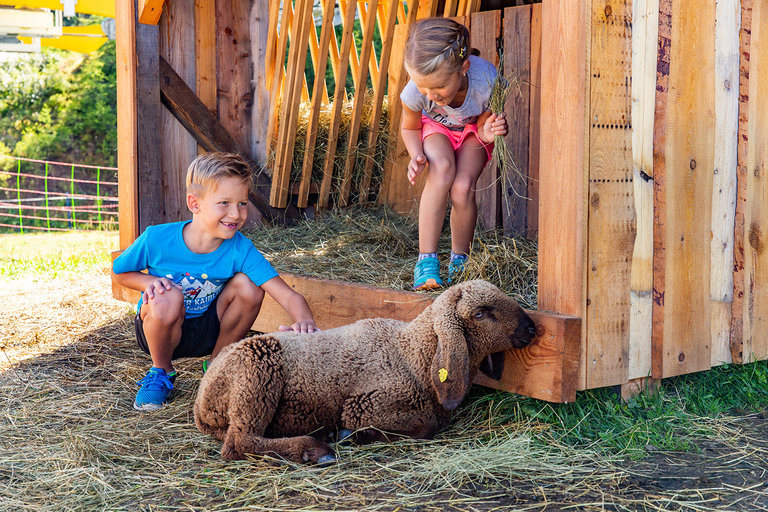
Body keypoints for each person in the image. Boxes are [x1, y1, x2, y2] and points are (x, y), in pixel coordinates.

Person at [112, 152, 319, 411]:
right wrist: (149, 283)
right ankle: (161, 373)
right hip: (159, 328)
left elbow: (288, 296)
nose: (235, 213)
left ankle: (218, 366)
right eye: (224, 203)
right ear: (195, 203)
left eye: (242, 203)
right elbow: (119, 272)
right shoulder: (156, 238)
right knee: (168, 294)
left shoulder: (240, 248)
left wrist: (305, 321)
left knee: (250, 284)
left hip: (209, 328)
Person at [400, 17, 507, 291]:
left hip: (473, 130)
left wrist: (489, 131)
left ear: (464, 67)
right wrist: (415, 155)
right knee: (442, 169)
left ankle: (460, 261)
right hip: (437, 128)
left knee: (461, 188)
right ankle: (426, 262)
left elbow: (486, 124)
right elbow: (410, 127)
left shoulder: (487, 81)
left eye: (438, 87)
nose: (430, 95)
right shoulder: (417, 92)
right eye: (424, 88)